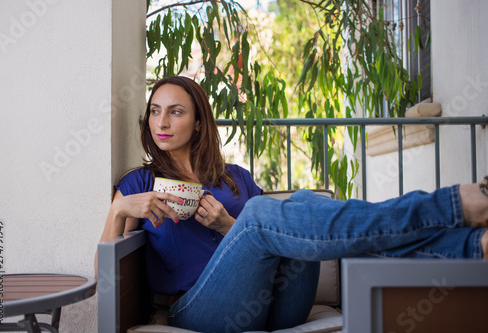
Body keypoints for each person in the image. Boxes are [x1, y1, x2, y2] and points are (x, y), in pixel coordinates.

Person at [96, 76, 488, 333]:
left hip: (280, 303)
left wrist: (225, 225)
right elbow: (102, 276)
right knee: (260, 215)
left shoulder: (235, 176)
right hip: (200, 311)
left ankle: (463, 236)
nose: (161, 122)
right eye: (155, 111)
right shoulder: (140, 183)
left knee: (300, 203)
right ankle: (455, 219)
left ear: (199, 122)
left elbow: (271, 238)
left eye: (175, 111)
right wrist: (119, 211)